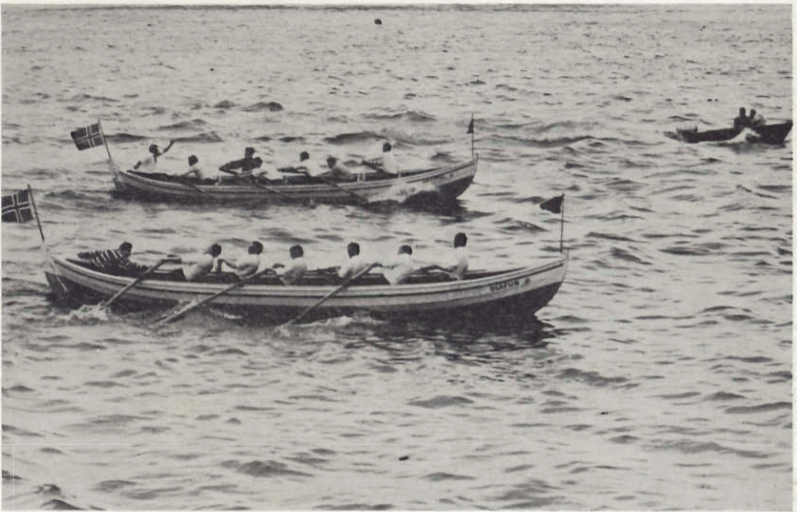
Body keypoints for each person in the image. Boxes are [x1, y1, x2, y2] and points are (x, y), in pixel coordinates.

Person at [77, 241, 148, 277]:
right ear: (126, 251)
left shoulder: (110, 251)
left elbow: (94, 253)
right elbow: (131, 266)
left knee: (120, 267)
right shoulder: (120, 257)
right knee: (126, 270)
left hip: (93, 266)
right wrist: (145, 268)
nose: (129, 254)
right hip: (100, 271)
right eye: (129, 251)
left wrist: (83, 254)